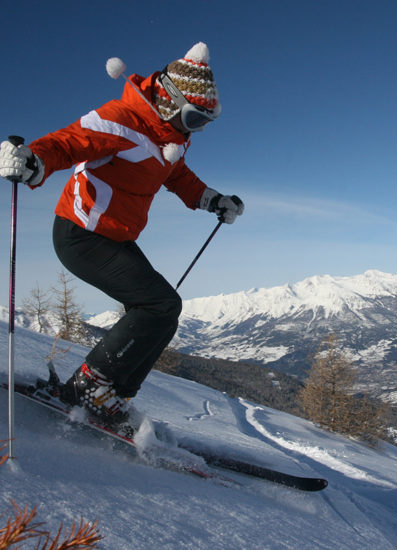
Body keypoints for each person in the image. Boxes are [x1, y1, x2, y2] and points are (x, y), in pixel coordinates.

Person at [0, 42, 244, 425]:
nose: (197, 130)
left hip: (115, 237)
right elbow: (70, 141)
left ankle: (112, 394)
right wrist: (35, 159)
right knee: (158, 304)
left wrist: (213, 200)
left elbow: (176, 176)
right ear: (170, 101)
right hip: (80, 235)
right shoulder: (120, 121)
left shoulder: (169, 136)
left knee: (164, 310)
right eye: (195, 120)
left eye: (205, 122)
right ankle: (89, 387)